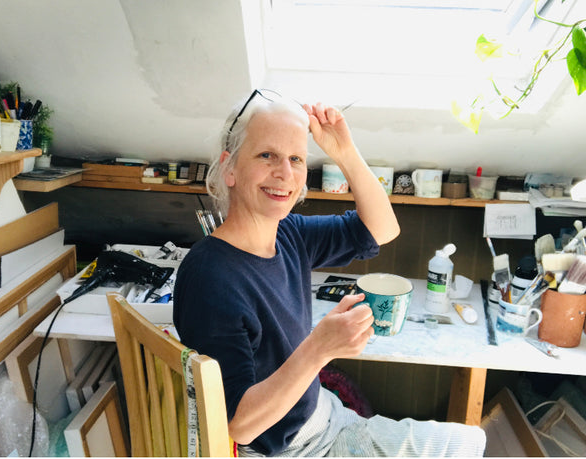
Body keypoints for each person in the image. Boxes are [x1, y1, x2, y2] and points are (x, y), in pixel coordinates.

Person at [173, 90, 486, 457]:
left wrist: (344, 152)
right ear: (230, 169)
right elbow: (239, 425)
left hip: (325, 416)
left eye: (296, 159)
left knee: (470, 442)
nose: (285, 173)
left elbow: (382, 229)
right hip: (292, 448)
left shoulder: (288, 233)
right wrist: (320, 348)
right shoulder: (210, 277)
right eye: (266, 155)